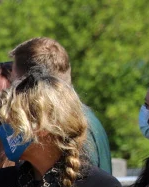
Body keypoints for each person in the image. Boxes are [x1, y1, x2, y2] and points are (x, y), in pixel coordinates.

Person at [9, 38, 111, 173]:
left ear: (32, 84)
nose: (12, 90)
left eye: (15, 82)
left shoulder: (69, 126)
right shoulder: (81, 117)